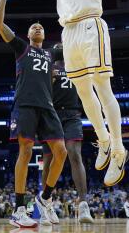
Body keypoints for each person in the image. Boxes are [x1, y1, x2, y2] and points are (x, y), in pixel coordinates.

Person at [52, 0, 127, 186]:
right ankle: (104, 140)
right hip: (68, 31)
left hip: (90, 26)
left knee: (102, 86)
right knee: (83, 92)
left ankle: (119, 149)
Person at [0, 0, 68, 227]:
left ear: (45, 34)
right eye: (33, 27)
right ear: (28, 34)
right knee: (24, 152)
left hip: (48, 107)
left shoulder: (52, 53)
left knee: (61, 152)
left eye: (41, 27)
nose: (37, 28)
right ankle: (19, 209)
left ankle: (44, 199)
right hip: (25, 104)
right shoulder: (21, 48)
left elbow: (71, 40)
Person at [41, 44, 93, 223]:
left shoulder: (77, 67)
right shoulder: (47, 68)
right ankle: (46, 205)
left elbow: (87, 91)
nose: (62, 46)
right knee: (48, 159)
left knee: (74, 154)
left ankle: (84, 204)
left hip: (72, 114)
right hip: (51, 114)